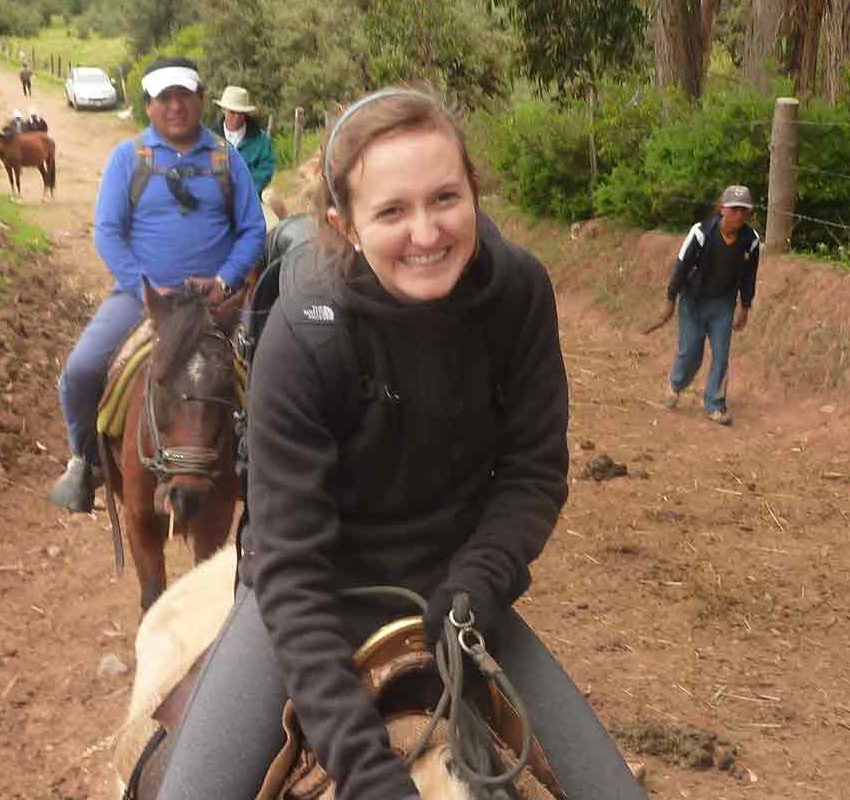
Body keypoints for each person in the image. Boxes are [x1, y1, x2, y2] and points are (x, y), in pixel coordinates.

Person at [151, 88, 646, 800]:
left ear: (473, 191)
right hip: (311, 594)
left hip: (459, 596)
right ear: (343, 225)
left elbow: (533, 472)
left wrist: (479, 580)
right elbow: (291, 570)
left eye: (445, 198)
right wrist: (372, 774)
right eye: (391, 211)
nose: (426, 232)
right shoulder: (305, 335)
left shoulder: (519, 295)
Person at [48, 56, 267, 512]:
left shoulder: (226, 161)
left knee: (269, 379)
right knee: (81, 372)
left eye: (184, 96)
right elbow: (107, 231)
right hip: (143, 299)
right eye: (164, 98)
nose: (175, 106)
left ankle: (264, 469)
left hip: (214, 305)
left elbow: (252, 229)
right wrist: (143, 285)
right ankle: (83, 461)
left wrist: (225, 280)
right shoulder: (127, 159)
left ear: (201, 100)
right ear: (148, 106)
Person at [650, 185, 762, 426]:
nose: (739, 215)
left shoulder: (750, 241)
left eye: (744, 210)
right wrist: (670, 300)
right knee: (691, 351)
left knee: (721, 354)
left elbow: (749, 275)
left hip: (723, 303)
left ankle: (715, 404)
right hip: (694, 300)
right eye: (734, 209)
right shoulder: (701, 233)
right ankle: (675, 384)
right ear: (722, 209)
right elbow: (681, 267)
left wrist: (745, 306)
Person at [214, 86, 276, 193]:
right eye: (232, 112)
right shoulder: (208, 139)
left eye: (241, 113)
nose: (237, 117)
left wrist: (242, 190)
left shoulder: (262, 141)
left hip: (251, 199)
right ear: (223, 110)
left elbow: (266, 170)